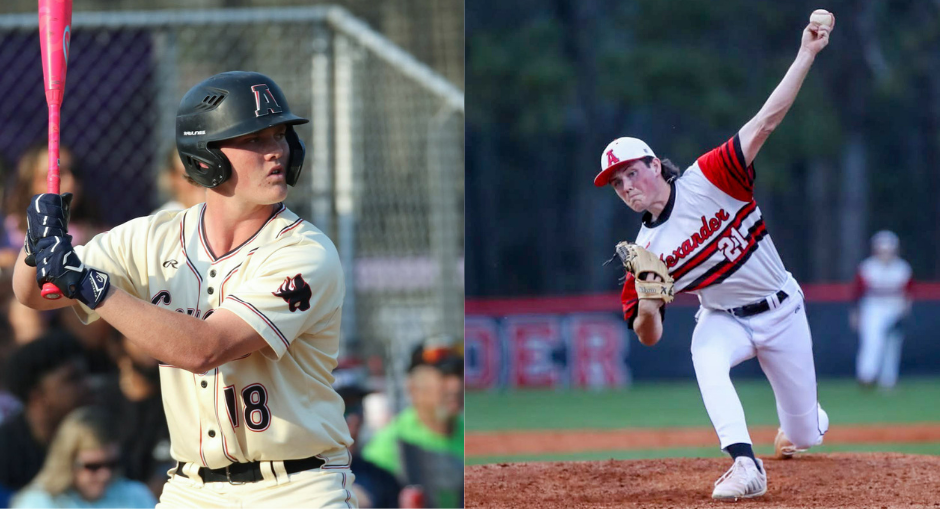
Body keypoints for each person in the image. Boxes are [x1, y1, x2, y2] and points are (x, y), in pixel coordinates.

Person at [12, 71, 357, 507]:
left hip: (297, 486)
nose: (276, 152)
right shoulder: (151, 236)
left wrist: (88, 284)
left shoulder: (305, 252)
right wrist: (38, 242)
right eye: (253, 140)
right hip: (191, 489)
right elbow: (33, 294)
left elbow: (205, 349)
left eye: (280, 136)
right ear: (204, 156)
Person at [594, 14, 835, 500]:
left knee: (804, 435)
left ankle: (807, 419)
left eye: (630, 174)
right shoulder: (645, 254)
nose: (626, 187)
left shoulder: (711, 178)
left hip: (782, 309)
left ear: (654, 163)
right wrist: (647, 303)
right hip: (725, 318)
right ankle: (745, 465)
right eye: (616, 184)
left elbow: (766, 120)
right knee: (703, 351)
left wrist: (806, 54)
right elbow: (649, 337)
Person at [362, 336, 464, 508]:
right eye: (444, 377)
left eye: (459, 374)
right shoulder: (389, 446)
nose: (456, 386)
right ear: (413, 387)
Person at [11, 406, 156, 508]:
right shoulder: (37, 503)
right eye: (93, 466)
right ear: (67, 462)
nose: (105, 474)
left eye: (112, 464)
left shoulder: (136, 495)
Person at [0, 330, 92, 491]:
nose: (87, 386)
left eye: (85, 376)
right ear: (37, 396)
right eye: (72, 379)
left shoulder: (96, 434)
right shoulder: (5, 452)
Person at [333, 359, 402, 508]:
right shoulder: (298, 473)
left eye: (356, 406)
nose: (354, 418)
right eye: (343, 407)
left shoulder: (382, 478)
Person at [851, 230, 913, 390]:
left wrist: (905, 311)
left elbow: (908, 293)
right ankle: (866, 377)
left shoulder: (902, 268)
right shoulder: (867, 267)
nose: (885, 254)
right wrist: (855, 313)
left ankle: (888, 381)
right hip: (873, 308)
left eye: (888, 250)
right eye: (882, 250)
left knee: (892, 345)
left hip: (895, 308)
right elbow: (857, 292)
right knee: (872, 342)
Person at [151, 148, 206, 214]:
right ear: (173, 178)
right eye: (188, 173)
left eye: (202, 171)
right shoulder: (164, 219)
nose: (198, 180)